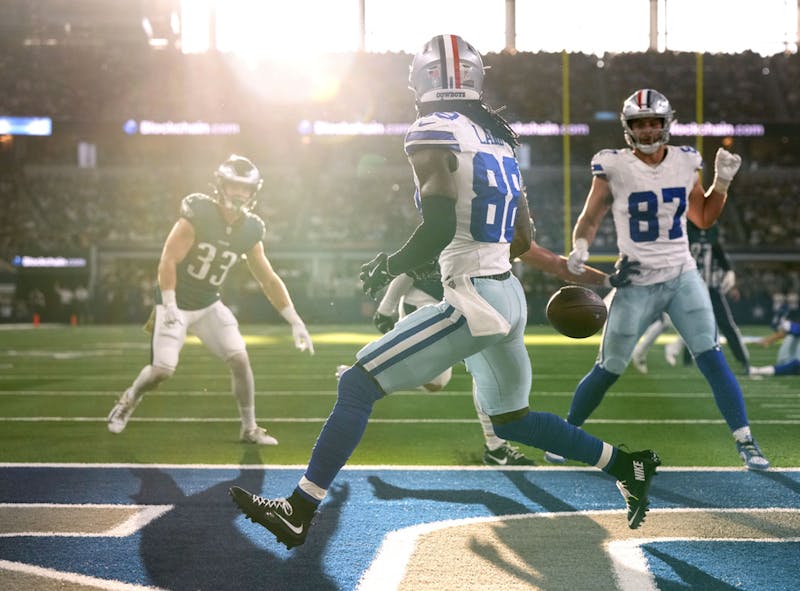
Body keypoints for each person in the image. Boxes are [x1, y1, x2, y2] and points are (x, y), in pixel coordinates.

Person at [230, 34, 661, 549]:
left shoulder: (433, 130)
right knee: (512, 420)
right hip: (507, 294)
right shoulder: (499, 137)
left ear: (422, 80)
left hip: (471, 300)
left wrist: (393, 264)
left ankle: (299, 510)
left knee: (359, 384)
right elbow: (522, 239)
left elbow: (436, 224)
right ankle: (627, 464)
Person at [565, 88, 769, 471]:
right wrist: (580, 246)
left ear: (665, 124)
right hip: (636, 280)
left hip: (681, 274)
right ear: (629, 128)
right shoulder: (613, 164)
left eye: (653, 122)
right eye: (639, 123)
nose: (646, 130)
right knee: (609, 366)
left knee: (711, 355)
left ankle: (746, 442)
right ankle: (566, 433)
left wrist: (721, 185)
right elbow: (591, 216)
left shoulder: (686, 160)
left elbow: (704, 217)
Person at [107, 155, 314, 444]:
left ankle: (249, 428)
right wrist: (167, 304)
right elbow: (168, 259)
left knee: (240, 360)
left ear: (254, 192)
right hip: (175, 302)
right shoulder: (199, 212)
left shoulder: (251, 228)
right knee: (161, 371)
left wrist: (295, 320)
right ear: (221, 186)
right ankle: (130, 398)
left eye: (245, 188)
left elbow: (268, 278)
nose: (240, 193)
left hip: (208, 304)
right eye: (234, 186)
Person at [363, 238, 610, 467]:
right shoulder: (466, 219)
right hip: (429, 299)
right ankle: (368, 376)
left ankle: (495, 448)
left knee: (473, 373)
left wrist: (608, 280)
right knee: (443, 379)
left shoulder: (505, 229)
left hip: (471, 302)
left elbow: (552, 262)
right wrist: (385, 309)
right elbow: (416, 257)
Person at [631, 220, 750, 374]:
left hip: (708, 286)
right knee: (669, 321)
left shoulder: (710, 228)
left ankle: (743, 362)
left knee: (719, 324)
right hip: (684, 284)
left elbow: (716, 248)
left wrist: (728, 269)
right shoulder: (681, 225)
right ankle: (641, 351)